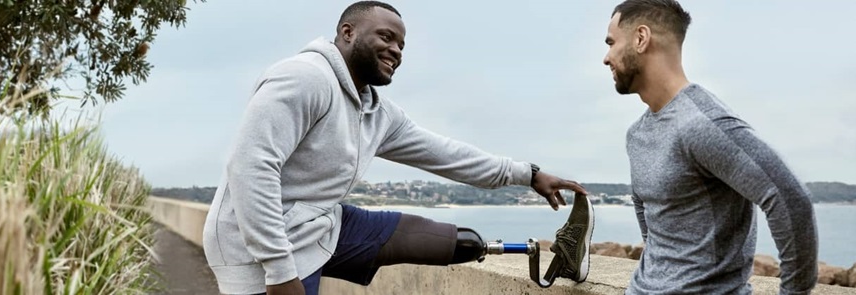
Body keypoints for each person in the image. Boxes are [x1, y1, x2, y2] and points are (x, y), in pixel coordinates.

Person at [203, 1, 592, 294]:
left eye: (402, 44)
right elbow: (251, 167)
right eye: (386, 37)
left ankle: (548, 255)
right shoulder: (305, 78)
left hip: (318, 223)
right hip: (258, 243)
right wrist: (279, 270)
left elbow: (447, 154)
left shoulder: (376, 111)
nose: (396, 51)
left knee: (433, 238)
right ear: (347, 32)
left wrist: (530, 174)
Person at [601, 1, 819, 294]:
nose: (606, 57)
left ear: (641, 39)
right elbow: (654, 231)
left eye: (612, 43)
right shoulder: (637, 134)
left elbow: (790, 200)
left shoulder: (703, 123)